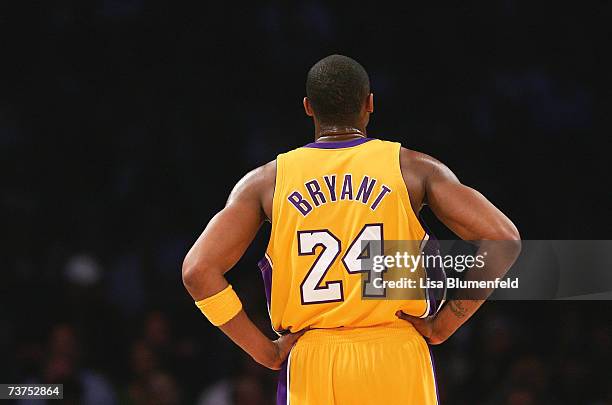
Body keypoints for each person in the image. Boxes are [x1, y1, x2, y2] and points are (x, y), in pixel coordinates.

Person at [182, 54, 521, 404]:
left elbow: (198, 272)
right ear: (370, 103)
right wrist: (445, 324)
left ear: (308, 107)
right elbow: (504, 240)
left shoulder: (266, 182)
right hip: (396, 354)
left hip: (313, 358)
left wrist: (264, 352)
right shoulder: (413, 168)